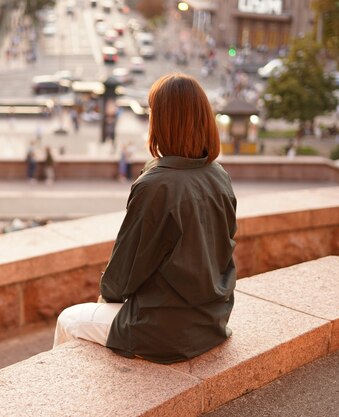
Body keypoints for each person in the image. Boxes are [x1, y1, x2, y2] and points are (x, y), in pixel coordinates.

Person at [53, 73, 237, 364]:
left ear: (163, 123)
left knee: (70, 319)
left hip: (167, 331)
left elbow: (123, 272)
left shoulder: (156, 185)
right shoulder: (219, 175)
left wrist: (106, 303)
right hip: (213, 321)